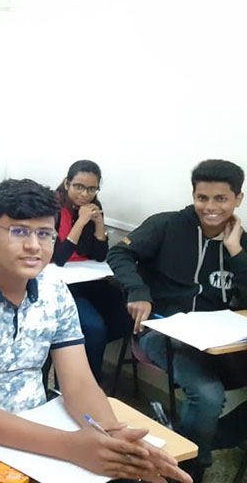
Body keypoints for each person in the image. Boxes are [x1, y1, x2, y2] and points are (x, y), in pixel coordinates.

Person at [0, 178, 192, 483]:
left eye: (45, 233)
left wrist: (112, 439)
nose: (33, 246)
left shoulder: (54, 290)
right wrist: (72, 447)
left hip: (37, 427)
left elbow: (78, 383)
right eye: (19, 231)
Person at [107, 159, 247, 478]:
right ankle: (190, 468)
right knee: (208, 396)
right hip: (162, 330)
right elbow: (119, 253)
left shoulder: (240, 242)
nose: (210, 207)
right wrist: (138, 290)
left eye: (221, 199)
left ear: (238, 199)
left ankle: (192, 443)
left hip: (220, 340)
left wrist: (236, 252)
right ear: (193, 195)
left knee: (206, 406)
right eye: (202, 197)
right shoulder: (166, 225)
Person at [53, 160, 131, 383]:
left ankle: (76, 364)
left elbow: (98, 255)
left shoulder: (92, 206)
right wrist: (80, 222)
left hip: (89, 279)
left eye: (91, 189)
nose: (85, 194)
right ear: (67, 183)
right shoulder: (52, 208)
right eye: (79, 187)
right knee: (94, 327)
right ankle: (89, 382)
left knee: (126, 319)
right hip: (60, 283)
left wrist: (98, 223)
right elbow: (59, 257)